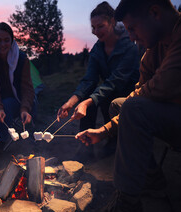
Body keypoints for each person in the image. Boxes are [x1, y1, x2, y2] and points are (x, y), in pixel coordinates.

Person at [76, 0, 181, 212]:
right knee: (121, 104)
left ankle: (127, 203)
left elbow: (166, 85)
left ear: (155, 13)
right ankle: (151, 177)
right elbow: (140, 93)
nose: (131, 36)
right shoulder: (153, 51)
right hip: (180, 117)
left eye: (132, 28)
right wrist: (104, 130)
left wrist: (120, 113)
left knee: (132, 106)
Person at [57, 1, 140, 133]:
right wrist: (71, 102)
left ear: (112, 21)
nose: (95, 32)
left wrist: (87, 102)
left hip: (130, 91)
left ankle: (113, 137)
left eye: (100, 26)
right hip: (110, 89)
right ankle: (85, 145)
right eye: (93, 27)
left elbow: (116, 80)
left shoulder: (130, 44)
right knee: (89, 95)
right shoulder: (97, 49)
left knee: (102, 98)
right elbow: (90, 79)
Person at [0, 22, 36, 144]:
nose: (2, 44)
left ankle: (2, 143)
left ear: (12, 41)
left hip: (20, 99)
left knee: (7, 104)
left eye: (6, 40)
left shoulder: (21, 59)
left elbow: (27, 88)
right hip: (0, 96)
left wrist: (25, 109)